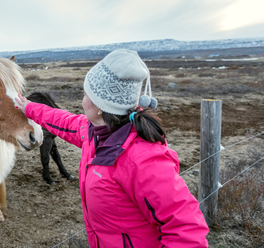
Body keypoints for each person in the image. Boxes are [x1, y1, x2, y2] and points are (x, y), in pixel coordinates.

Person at [16, 49, 209, 247]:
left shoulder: (142, 160)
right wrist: (29, 108)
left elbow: (187, 230)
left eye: (85, 94)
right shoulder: (94, 131)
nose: (82, 101)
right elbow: (64, 121)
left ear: (99, 105)